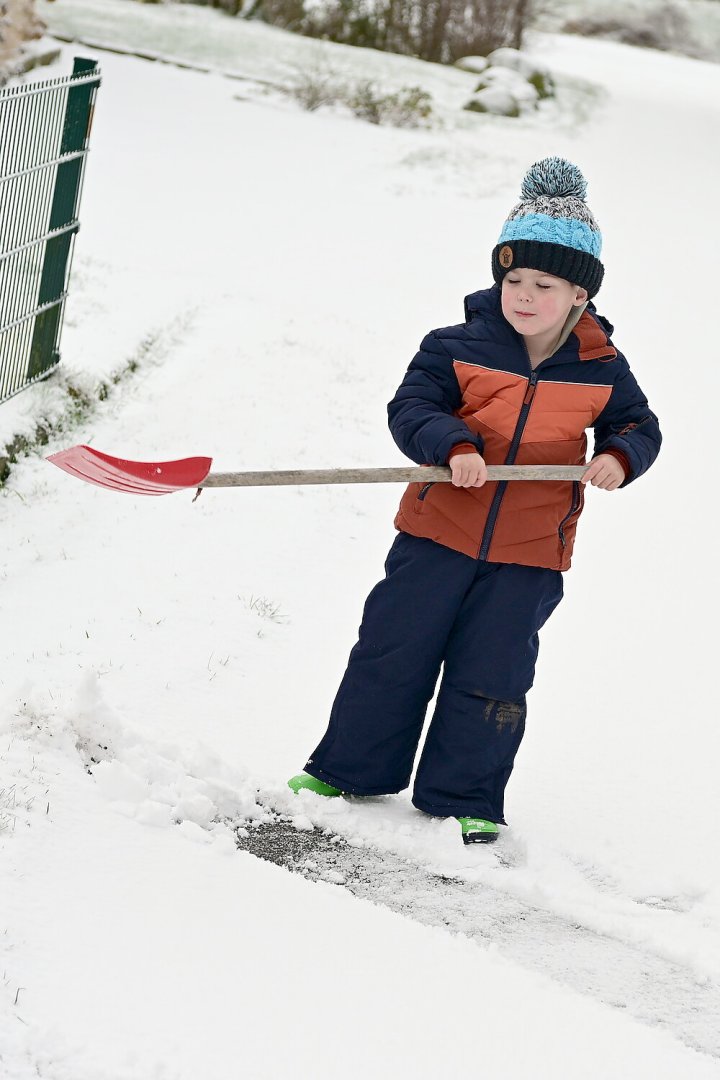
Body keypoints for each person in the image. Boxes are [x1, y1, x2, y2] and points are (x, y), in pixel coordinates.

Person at [288, 157, 661, 845]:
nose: (522, 293)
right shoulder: (455, 347)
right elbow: (414, 404)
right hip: (437, 533)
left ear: (578, 294)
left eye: (542, 284)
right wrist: (453, 445)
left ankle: (466, 795)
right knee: (391, 652)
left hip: (528, 553)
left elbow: (638, 426)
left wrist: (616, 457)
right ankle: (348, 768)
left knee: (494, 673)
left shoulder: (602, 367)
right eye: (512, 278)